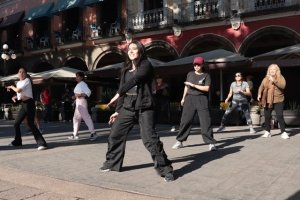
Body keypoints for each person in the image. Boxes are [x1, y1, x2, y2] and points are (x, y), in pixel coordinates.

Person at [100, 40, 174, 182]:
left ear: (140, 51)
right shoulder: (125, 69)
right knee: (115, 134)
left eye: (135, 49)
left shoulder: (146, 65)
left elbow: (135, 80)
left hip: (145, 105)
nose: (131, 51)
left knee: (149, 139)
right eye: (129, 49)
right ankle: (111, 163)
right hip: (127, 105)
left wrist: (117, 95)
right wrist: (117, 110)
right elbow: (124, 87)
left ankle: (166, 169)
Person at [171, 57, 217, 151]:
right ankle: (180, 141)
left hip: (202, 99)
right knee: (185, 121)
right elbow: (186, 87)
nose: (196, 66)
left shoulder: (206, 75)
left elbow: (206, 89)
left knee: (205, 121)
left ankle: (211, 143)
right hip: (190, 99)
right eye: (195, 64)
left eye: (198, 64)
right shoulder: (190, 74)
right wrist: (183, 98)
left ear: (202, 65)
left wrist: (194, 85)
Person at [6, 67, 48, 150]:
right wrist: (14, 97)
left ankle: (42, 143)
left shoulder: (27, 81)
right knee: (16, 123)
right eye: (20, 72)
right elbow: (19, 95)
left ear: (25, 74)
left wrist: (11, 87)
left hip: (30, 103)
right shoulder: (18, 83)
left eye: (23, 72)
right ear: (18, 74)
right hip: (23, 104)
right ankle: (18, 141)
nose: (21, 73)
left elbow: (18, 90)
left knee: (30, 123)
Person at [257, 64, 289, 139]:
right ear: (269, 70)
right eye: (270, 69)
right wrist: (259, 94)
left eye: (274, 69)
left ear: (277, 70)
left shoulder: (280, 77)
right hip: (268, 100)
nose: (272, 71)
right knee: (267, 116)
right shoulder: (265, 78)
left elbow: (283, 86)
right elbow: (261, 87)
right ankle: (267, 131)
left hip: (278, 100)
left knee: (279, 116)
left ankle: (283, 132)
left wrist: (274, 80)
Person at [68, 71, 97, 141]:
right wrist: (75, 97)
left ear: (81, 77)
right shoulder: (80, 84)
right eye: (76, 76)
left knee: (86, 117)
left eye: (78, 76)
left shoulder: (83, 84)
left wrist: (79, 95)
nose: (76, 77)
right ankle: (75, 134)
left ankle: (93, 133)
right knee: (76, 118)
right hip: (78, 101)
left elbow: (88, 92)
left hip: (81, 101)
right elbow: (80, 93)